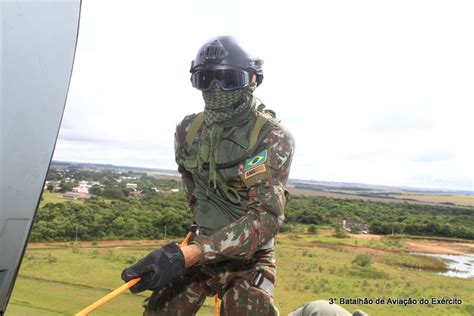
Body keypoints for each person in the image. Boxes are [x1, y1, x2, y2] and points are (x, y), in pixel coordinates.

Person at [121, 35, 295, 315]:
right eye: (205, 79)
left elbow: (265, 218)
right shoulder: (188, 131)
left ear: (252, 79)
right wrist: (189, 246)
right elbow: (194, 191)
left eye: (228, 79)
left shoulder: (271, 137)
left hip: (248, 258)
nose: (216, 89)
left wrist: (189, 254)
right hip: (199, 246)